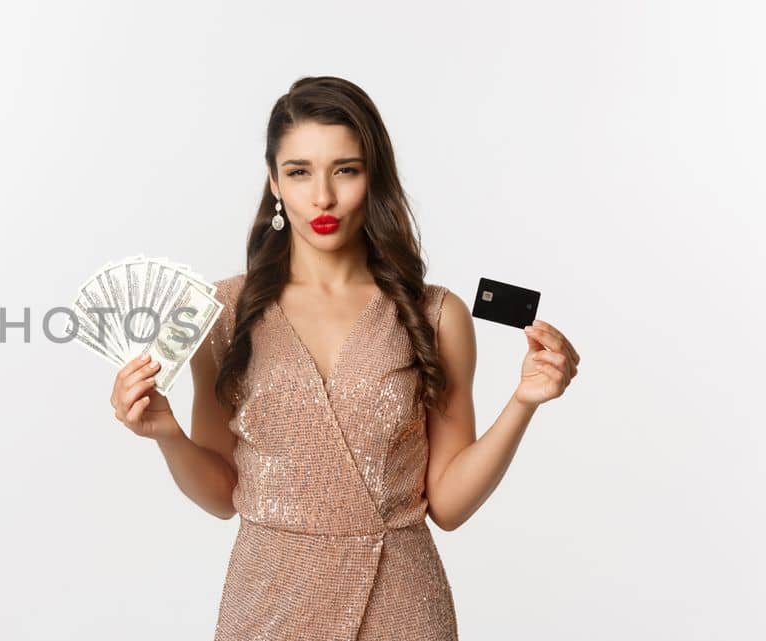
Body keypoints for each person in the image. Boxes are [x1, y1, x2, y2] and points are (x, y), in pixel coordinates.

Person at [107, 76, 581, 640]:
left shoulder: (435, 314)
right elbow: (221, 496)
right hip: (267, 604)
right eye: (299, 171)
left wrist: (524, 401)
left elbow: (449, 505)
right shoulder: (221, 312)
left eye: (345, 170)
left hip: (400, 602)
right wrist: (167, 434)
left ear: (373, 177)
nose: (323, 197)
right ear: (274, 182)